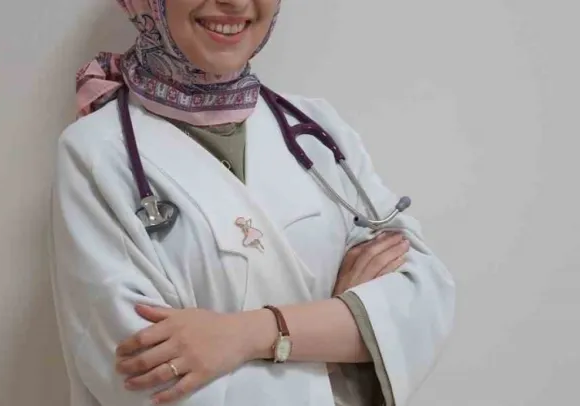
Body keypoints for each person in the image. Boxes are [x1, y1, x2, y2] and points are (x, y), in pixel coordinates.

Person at [49, 1, 455, 405]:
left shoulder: (318, 126)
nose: (237, 2)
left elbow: (420, 301)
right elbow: (149, 377)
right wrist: (343, 338)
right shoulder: (97, 153)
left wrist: (250, 334)